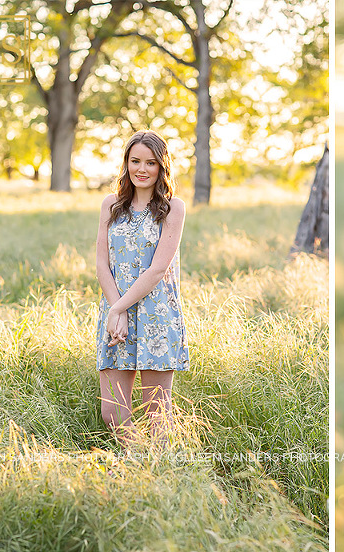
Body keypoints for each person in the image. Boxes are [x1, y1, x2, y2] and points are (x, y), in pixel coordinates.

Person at [95, 129, 190, 446]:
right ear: (126, 164)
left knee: (156, 413)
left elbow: (157, 269)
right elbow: (102, 265)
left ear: (162, 167)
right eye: (135, 161)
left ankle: (160, 479)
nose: (142, 169)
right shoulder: (111, 206)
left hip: (155, 315)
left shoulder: (173, 208)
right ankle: (137, 466)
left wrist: (118, 308)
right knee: (113, 413)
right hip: (115, 316)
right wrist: (115, 310)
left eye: (151, 163)